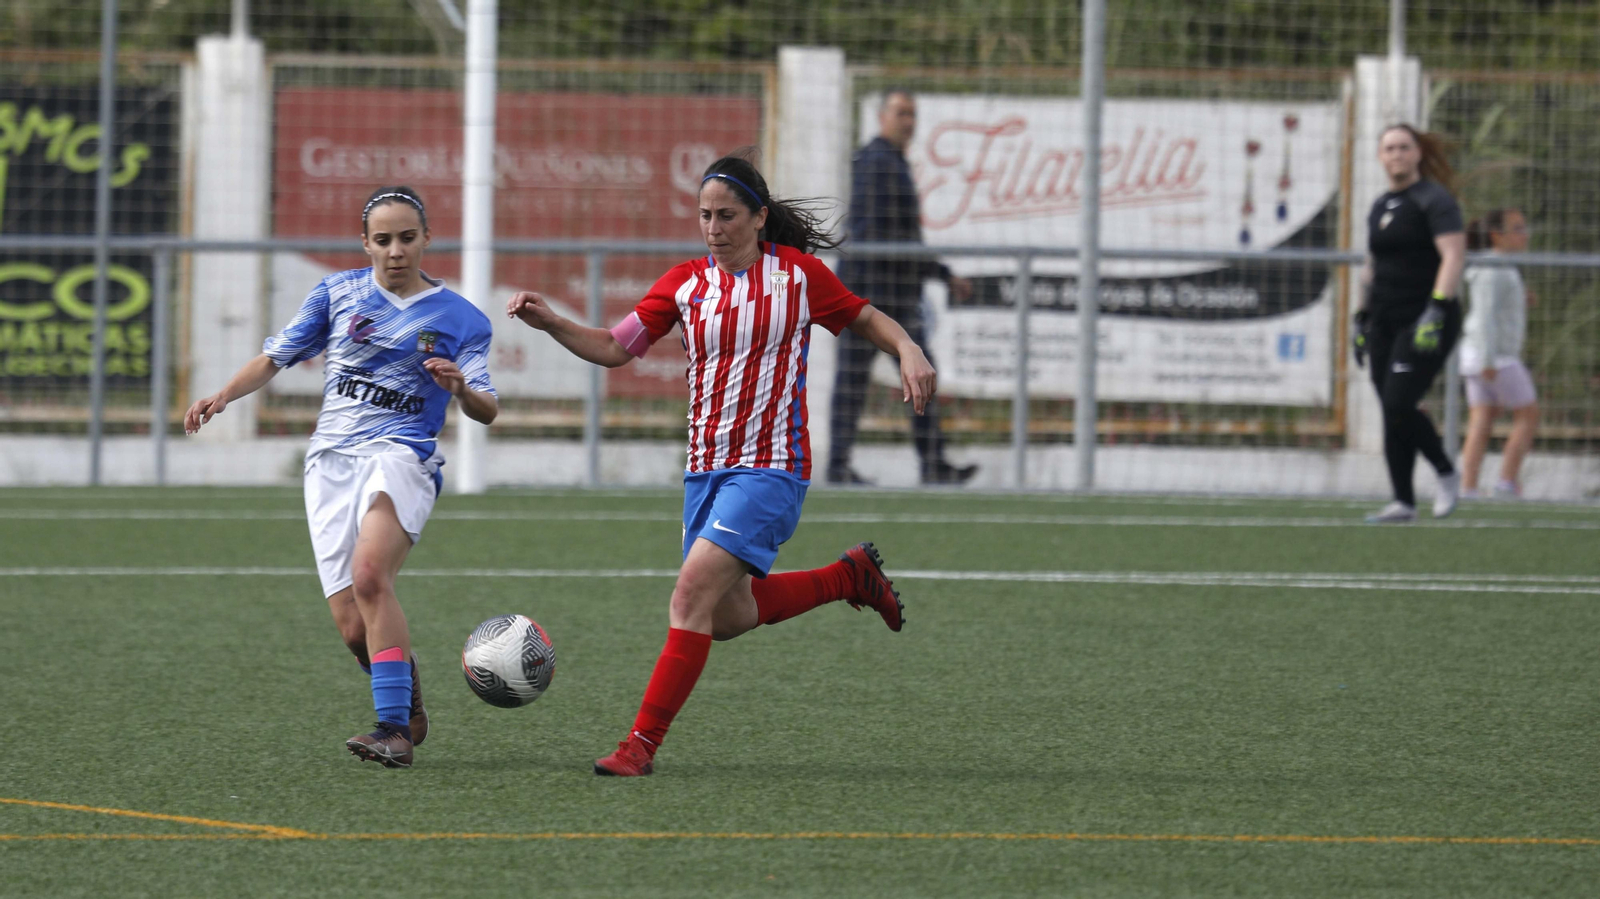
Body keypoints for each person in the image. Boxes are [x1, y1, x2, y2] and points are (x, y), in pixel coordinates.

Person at [505, 152, 926, 777]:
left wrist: (909, 349)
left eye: (726, 215)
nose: (712, 227)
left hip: (772, 467)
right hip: (706, 472)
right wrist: (551, 323)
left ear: (759, 218)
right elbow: (616, 348)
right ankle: (848, 577)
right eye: (704, 215)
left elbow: (865, 317)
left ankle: (638, 747)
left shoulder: (800, 278)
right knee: (726, 616)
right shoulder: (684, 284)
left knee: (690, 594)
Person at [184, 185, 499, 768]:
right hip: (330, 463)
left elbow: (488, 407)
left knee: (370, 576)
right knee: (353, 626)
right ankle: (406, 698)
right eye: (384, 240)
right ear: (366, 244)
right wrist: (223, 395)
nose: (396, 250)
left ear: (427, 239)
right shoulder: (336, 293)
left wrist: (460, 388)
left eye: (408, 237)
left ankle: (392, 731)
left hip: (402, 456)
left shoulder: (462, 319)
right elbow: (276, 355)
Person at [829, 88, 976, 486]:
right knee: (859, 380)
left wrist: (938, 274)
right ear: (882, 118)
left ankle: (926, 463)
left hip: (885, 292)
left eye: (912, 114)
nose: (908, 121)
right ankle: (844, 467)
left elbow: (899, 238)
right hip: (871, 295)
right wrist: (940, 274)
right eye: (900, 113)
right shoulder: (878, 163)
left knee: (890, 377)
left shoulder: (888, 161)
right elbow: (883, 235)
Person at [1352, 124, 1466, 524]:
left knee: (1401, 401)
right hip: (1384, 317)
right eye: (1389, 148)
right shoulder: (1381, 204)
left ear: (1418, 153)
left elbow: (1453, 256)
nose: (1396, 154)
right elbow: (1372, 265)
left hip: (1422, 319)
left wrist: (1437, 308)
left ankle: (1446, 472)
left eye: (1404, 147)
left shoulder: (1434, 200)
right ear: (1381, 157)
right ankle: (1403, 500)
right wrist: (1361, 316)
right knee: (1390, 408)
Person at [1460, 209, 1538, 498]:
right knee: (1528, 415)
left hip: (1479, 355)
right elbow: (1486, 316)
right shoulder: (1493, 267)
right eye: (1517, 229)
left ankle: (1468, 487)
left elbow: (1495, 307)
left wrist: (1521, 298)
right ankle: (1506, 482)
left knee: (1482, 418)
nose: (1524, 234)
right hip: (1495, 357)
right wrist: (1490, 359)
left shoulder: (1500, 267)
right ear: (1497, 235)